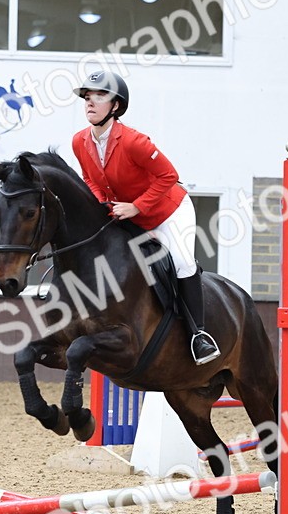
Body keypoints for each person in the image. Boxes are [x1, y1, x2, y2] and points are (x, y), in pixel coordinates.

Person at [70, 70, 220, 365]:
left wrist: (136, 207)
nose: (90, 102)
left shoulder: (134, 142)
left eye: (99, 96)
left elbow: (169, 176)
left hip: (169, 210)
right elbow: (90, 179)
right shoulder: (79, 142)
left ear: (115, 106)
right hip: (129, 214)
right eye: (87, 97)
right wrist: (104, 205)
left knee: (181, 261)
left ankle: (198, 335)